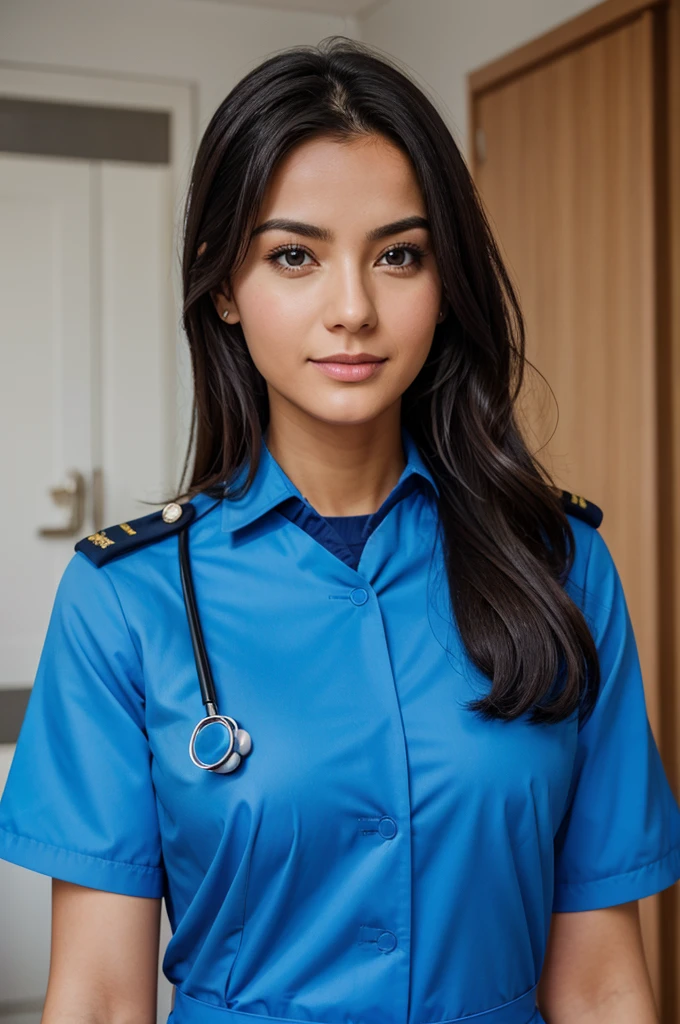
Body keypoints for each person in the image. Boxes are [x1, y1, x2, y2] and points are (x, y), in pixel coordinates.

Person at [1, 35, 679, 1024]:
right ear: (223, 285)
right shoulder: (128, 600)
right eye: (294, 256)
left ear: (444, 284)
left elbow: (599, 981)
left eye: (397, 255)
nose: (352, 308)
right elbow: (101, 999)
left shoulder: (561, 567)